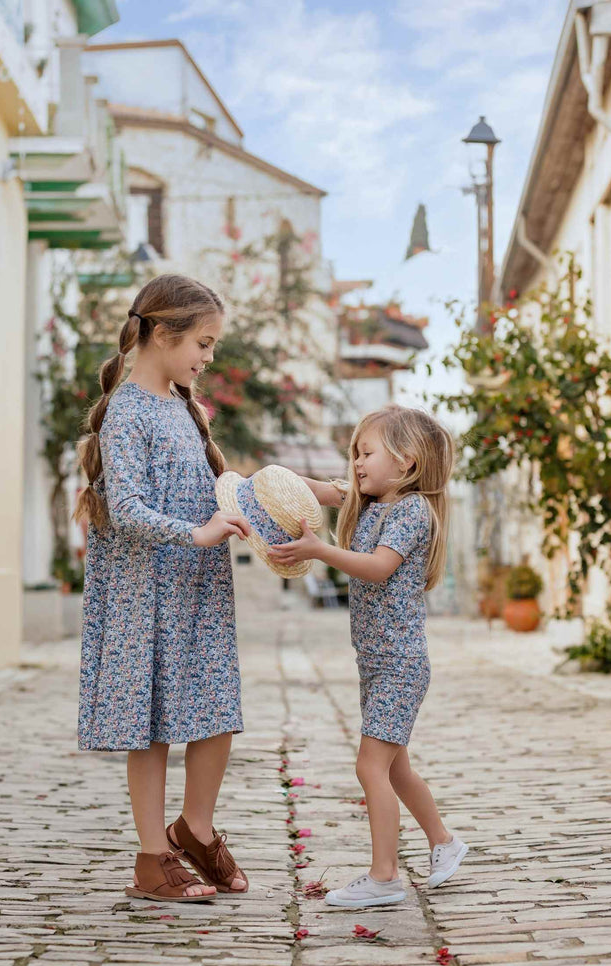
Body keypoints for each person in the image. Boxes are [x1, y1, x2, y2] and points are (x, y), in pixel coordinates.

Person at [75, 274, 252, 903]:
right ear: (160, 333)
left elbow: (217, 491)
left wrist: (305, 496)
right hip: (143, 592)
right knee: (151, 726)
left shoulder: (183, 404)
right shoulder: (126, 410)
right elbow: (124, 508)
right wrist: (197, 535)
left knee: (215, 710)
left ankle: (195, 828)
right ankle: (153, 856)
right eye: (202, 343)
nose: (208, 358)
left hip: (196, 592)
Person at [270, 405, 469, 906]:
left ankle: (384, 878)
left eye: (367, 452)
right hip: (377, 663)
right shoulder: (372, 500)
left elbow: (379, 567)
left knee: (370, 767)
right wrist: (270, 483)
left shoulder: (410, 510)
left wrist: (319, 551)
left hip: (400, 665)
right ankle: (445, 843)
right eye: (355, 453)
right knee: (396, 767)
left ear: (405, 462)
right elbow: (320, 490)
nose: (356, 462)